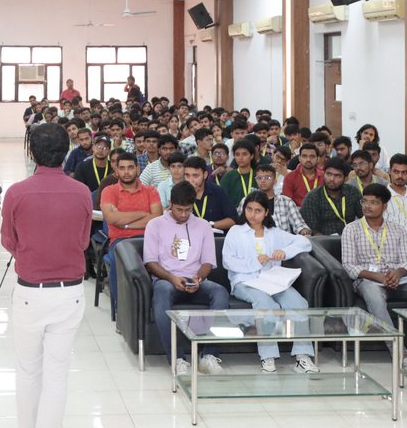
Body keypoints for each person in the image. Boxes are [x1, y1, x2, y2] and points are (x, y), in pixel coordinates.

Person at [1, 122, 92, 428]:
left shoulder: (16, 193)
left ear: (31, 151)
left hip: (30, 292)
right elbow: (82, 242)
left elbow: (8, 242)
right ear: (67, 152)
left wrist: (33, 251)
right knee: (57, 372)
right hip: (69, 293)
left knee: (28, 371)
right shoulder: (81, 192)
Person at [340, 184, 407, 369]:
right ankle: (400, 353)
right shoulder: (351, 229)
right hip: (368, 280)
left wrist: (397, 273)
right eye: (364, 201)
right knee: (375, 299)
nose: (367, 206)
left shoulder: (397, 229)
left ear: (384, 206)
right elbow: (349, 266)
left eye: (373, 202)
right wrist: (378, 276)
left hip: (399, 280)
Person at [222, 192, 319, 373]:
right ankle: (268, 357)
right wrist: (254, 262)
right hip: (245, 281)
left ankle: (303, 356)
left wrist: (285, 251)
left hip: (272, 281)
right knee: (266, 305)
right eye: (249, 209)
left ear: (266, 212)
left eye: (258, 210)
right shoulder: (236, 231)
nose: (252, 214)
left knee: (298, 303)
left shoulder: (273, 233)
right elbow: (228, 261)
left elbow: (305, 243)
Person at [143, 180, 228, 376]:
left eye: (187, 210)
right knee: (162, 292)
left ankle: (208, 355)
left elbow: (208, 261)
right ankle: (177, 358)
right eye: (179, 209)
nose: (183, 214)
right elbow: (150, 262)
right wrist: (172, 278)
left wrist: (199, 277)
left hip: (195, 281)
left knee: (220, 293)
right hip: (167, 280)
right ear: (170, 203)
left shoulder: (203, 226)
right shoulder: (155, 225)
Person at [99, 152, 163, 315]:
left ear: (138, 169)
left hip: (149, 239)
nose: (126, 172)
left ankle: (155, 307)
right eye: (122, 168)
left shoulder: (150, 191)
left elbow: (156, 218)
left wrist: (125, 223)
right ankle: (121, 311)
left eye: (130, 168)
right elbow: (111, 218)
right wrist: (143, 213)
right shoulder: (109, 191)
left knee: (165, 260)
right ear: (116, 171)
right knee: (119, 260)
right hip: (120, 241)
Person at [240, 162, 309, 236]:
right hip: (255, 242)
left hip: (283, 243)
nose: (263, 180)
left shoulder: (286, 202)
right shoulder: (246, 201)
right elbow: (241, 226)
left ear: (275, 180)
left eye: (267, 177)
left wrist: (304, 231)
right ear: (256, 180)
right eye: (259, 178)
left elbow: (299, 225)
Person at [300, 158, 362, 236]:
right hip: (324, 241)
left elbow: (364, 217)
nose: (332, 179)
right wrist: (327, 244)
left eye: (337, 176)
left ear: (345, 178)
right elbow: (313, 230)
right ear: (324, 174)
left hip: (352, 237)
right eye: (329, 174)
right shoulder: (313, 197)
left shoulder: (353, 192)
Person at [180, 157, 236, 232]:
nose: (190, 180)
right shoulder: (180, 192)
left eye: (195, 176)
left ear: (205, 175)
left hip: (215, 237)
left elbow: (233, 220)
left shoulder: (217, 191)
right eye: (187, 175)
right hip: (188, 236)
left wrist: (209, 225)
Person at [281, 143, 323, 207]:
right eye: (304, 156)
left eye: (312, 156)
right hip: (297, 214)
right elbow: (287, 204)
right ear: (299, 158)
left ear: (317, 159)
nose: (308, 159)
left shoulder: (324, 176)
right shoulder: (290, 177)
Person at [219, 139, 258, 206]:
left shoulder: (258, 176)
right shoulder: (228, 177)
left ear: (252, 156)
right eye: (237, 154)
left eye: (244, 154)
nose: (240, 157)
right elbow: (223, 201)